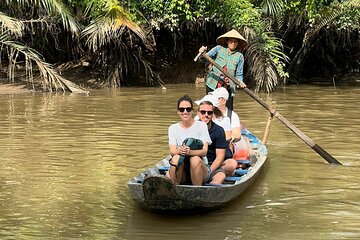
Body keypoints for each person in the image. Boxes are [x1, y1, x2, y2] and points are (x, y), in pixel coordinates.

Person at [167, 94, 212, 186]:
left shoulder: (202, 126)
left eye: (188, 109)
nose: (185, 112)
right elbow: (172, 151)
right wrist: (180, 151)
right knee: (175, 158)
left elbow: (204, 151)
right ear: (178, 112)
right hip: (182, 170)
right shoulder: (173, 128)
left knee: (194, 159)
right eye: (182, 109)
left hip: (201, 169)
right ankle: (173, 190)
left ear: (192, 111)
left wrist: (189, 152)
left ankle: (197, 192)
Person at [198, 29, 248, 111]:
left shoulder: (239, 56)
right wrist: (202, 53)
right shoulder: (218, 49)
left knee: (228, 111)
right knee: (210, 108)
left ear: (238, 43)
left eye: (235, 42)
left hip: (228, 86)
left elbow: (239, 74)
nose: (233, 43)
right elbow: (204, 60)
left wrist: (240, 82)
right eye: (231, 41)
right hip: (213, 83)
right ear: (227, 41)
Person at [196, 95, 237, 184]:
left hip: (212, 164)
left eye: (209, 113)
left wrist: (209, 172)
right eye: (203, 112)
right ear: (198, 113)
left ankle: (209, 191)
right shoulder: (192, 128)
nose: (206, 115)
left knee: (221, 175)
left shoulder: (218, 130)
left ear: (212, 113)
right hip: (195, 163)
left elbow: (220, 156)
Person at [210, 87, 252, 167]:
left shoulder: (232, 116)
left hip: (224, 147)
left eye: (216, 98)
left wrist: (229, 138)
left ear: (224, 101)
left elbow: (237, 135)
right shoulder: (207, 113)